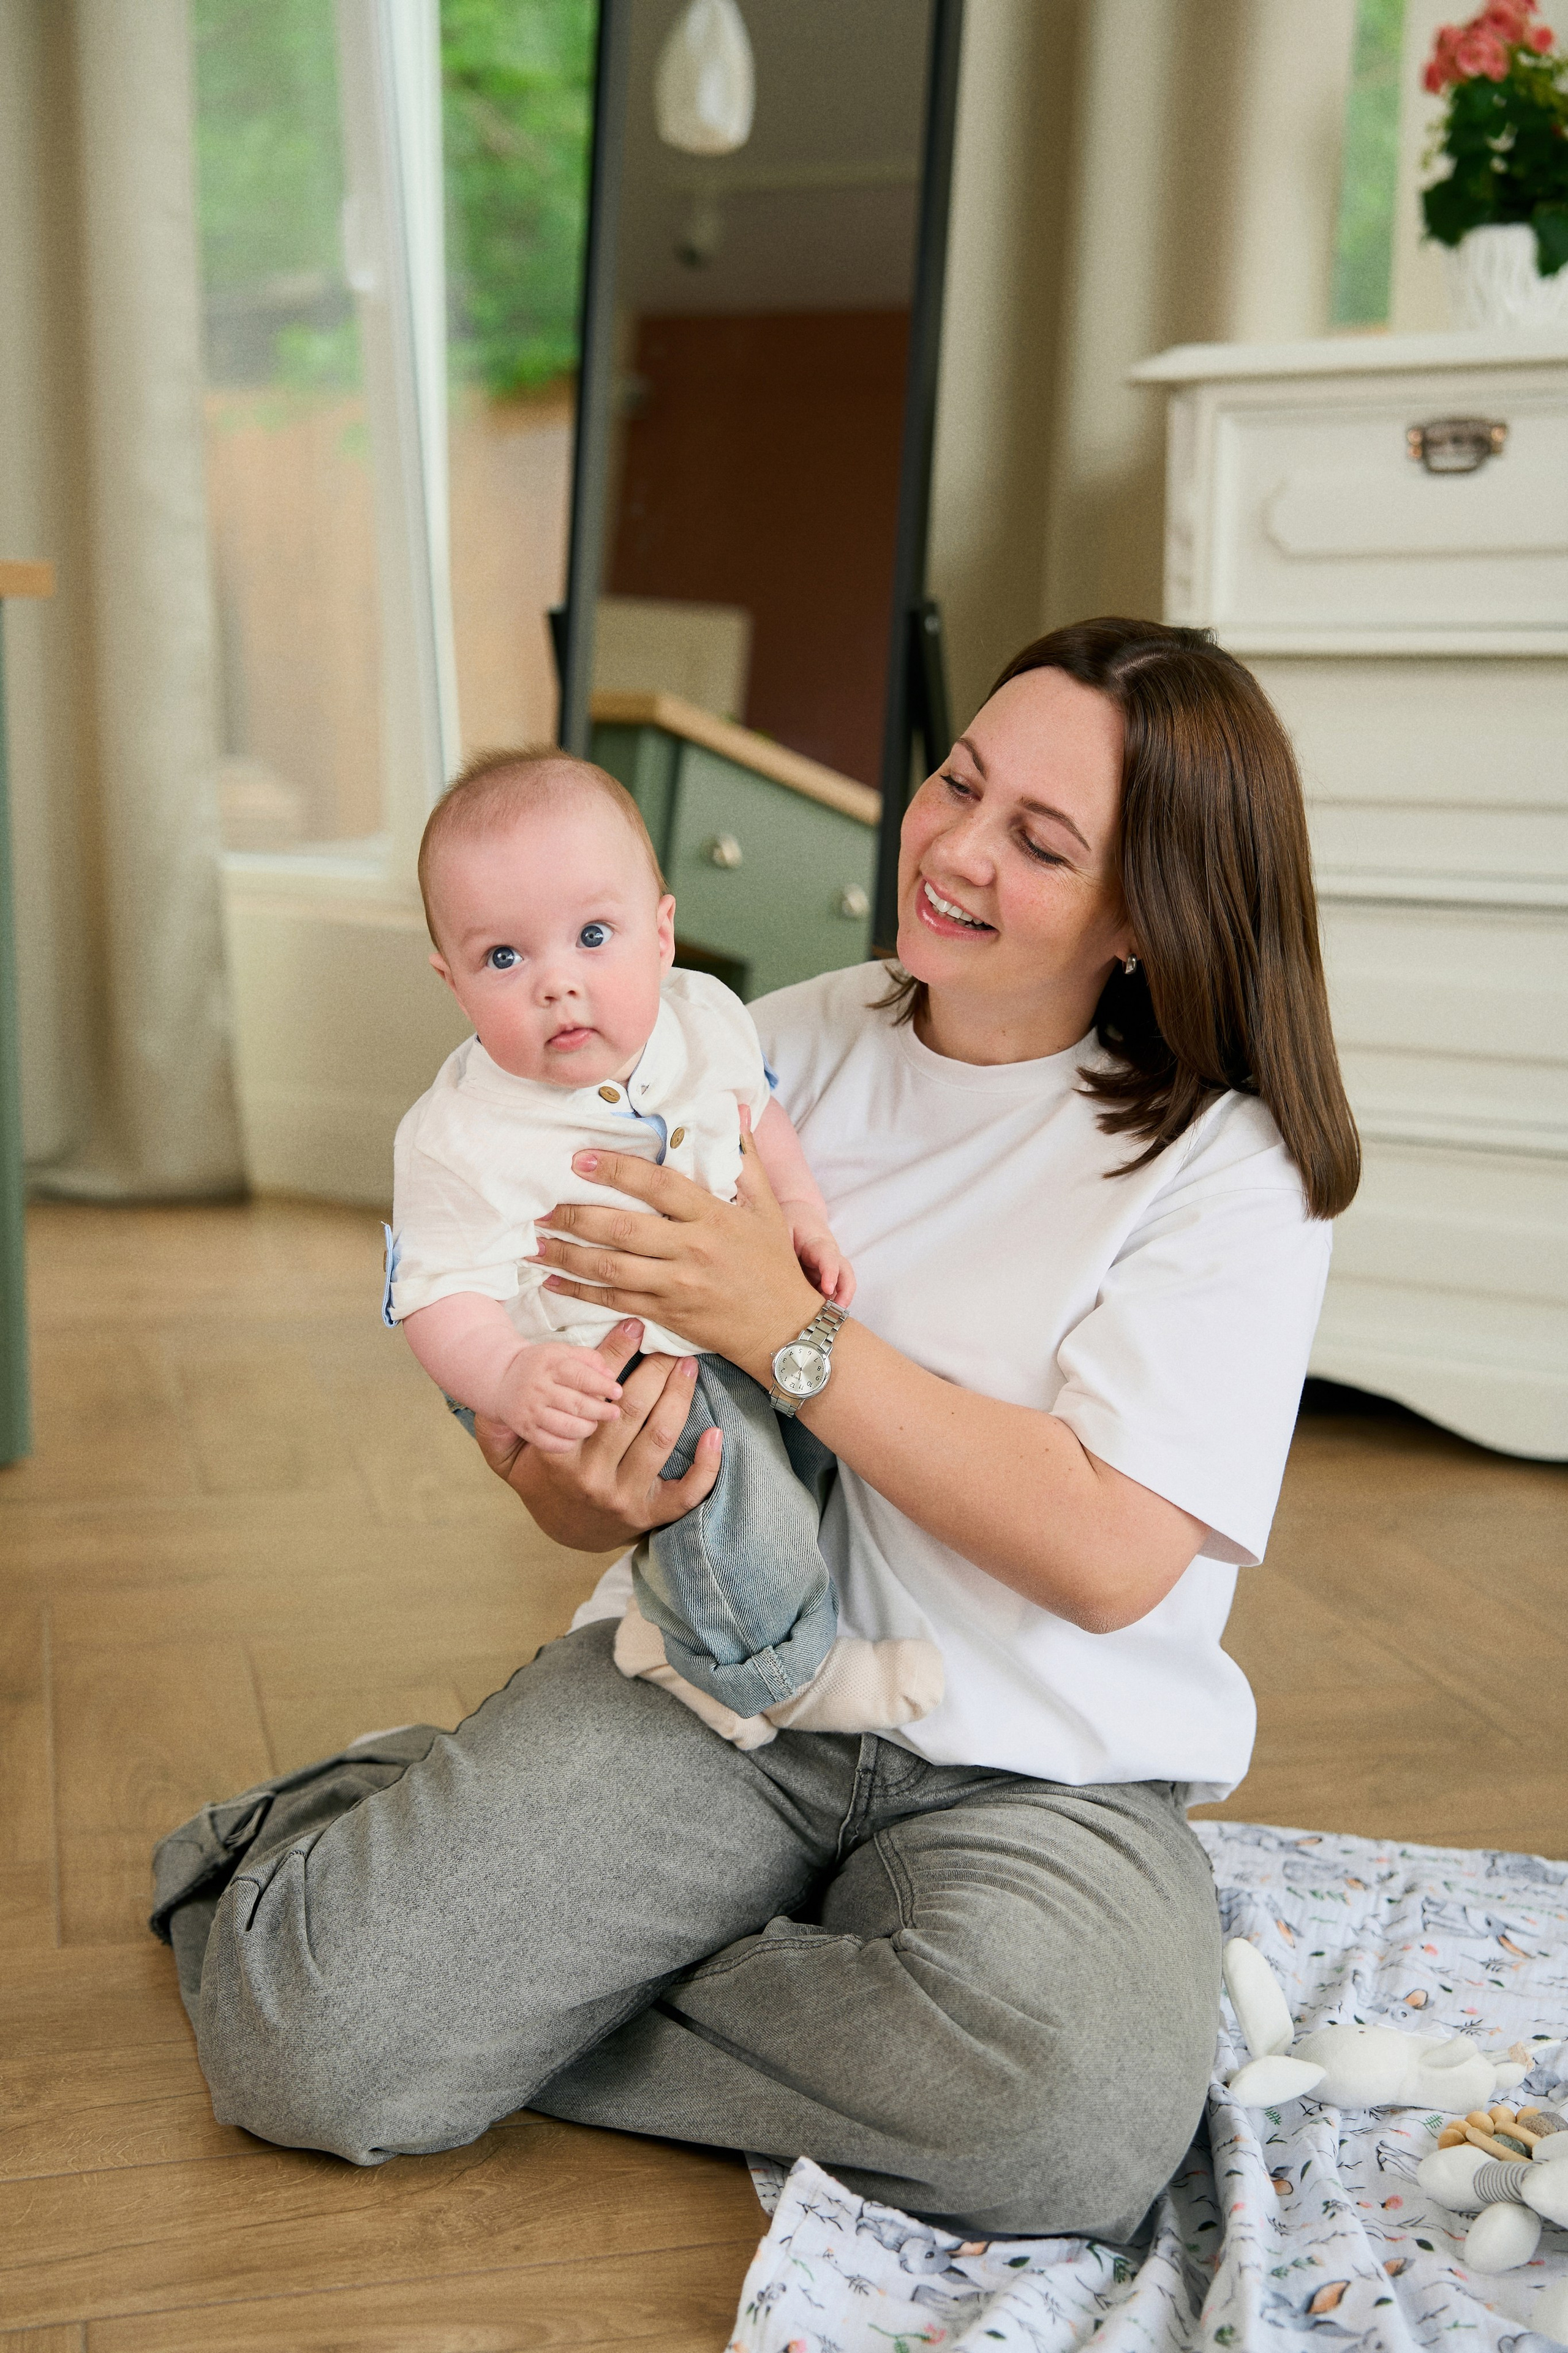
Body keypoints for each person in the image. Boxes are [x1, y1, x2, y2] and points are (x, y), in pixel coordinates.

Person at [150, 618, 1360, 2245]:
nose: (954, 847)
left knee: (1068, 2123)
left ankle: (509, 1947)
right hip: (710, 1700)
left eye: (1040, 838)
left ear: (1145, 914)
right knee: (311, 2048)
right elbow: (557, 1463)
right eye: (958, 781)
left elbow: (1108, 1555)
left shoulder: (1229, 1165)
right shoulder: (742, 1047)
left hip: (1039, 1775)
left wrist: (782, 1328)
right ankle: (397, 1890)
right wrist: (578, 1467)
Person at [385, 749, 940, 1742]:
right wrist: (511, 1374)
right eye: (503, 959)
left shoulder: (704, 1018)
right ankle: (785, 1676)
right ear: (451, 982)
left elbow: (756, 1117)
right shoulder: (458, 1136)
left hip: (751, 1313)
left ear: (662, 934)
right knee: (718, 1476)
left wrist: (803, 1213)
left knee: (810, 1454)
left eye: (593, 935)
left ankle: (669, 1638)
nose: (558, 984)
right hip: (608, 1359)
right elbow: (436, 1295)